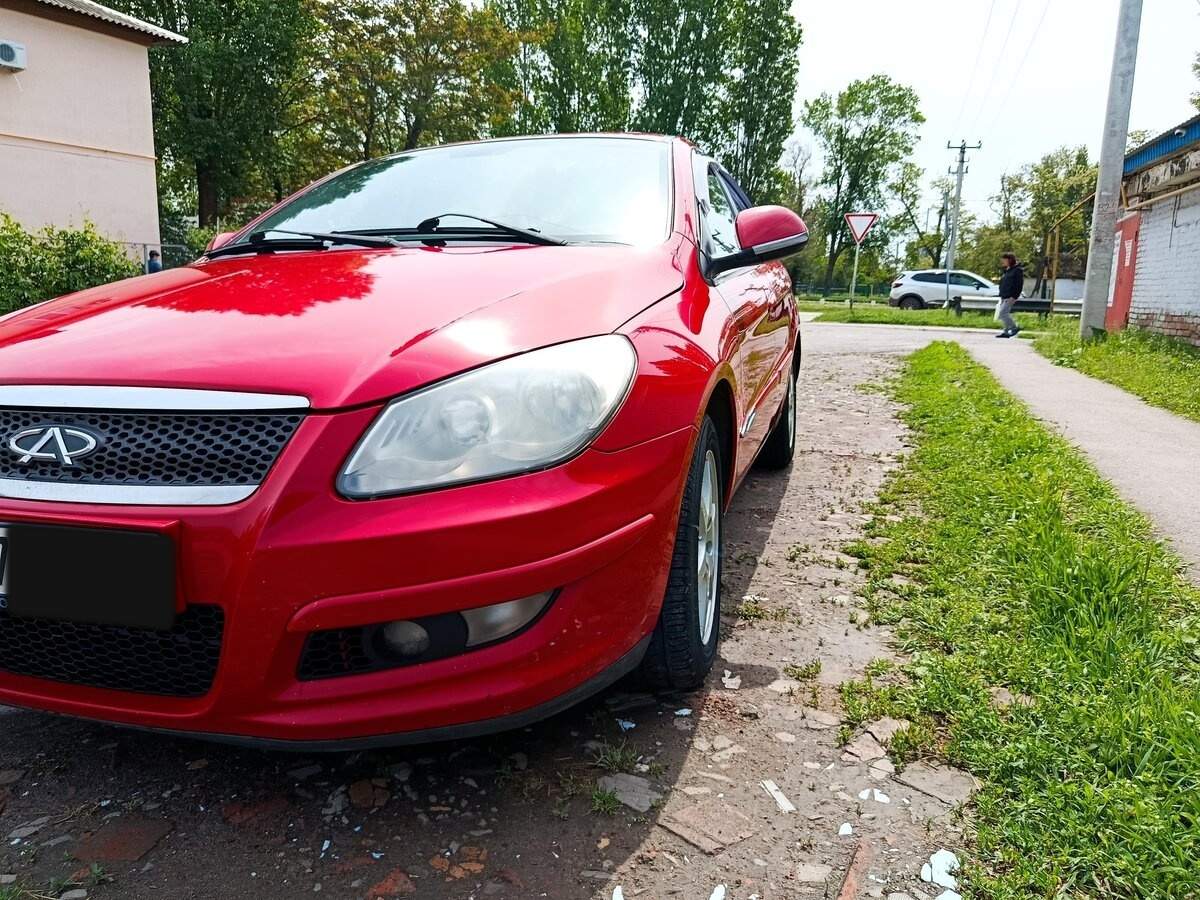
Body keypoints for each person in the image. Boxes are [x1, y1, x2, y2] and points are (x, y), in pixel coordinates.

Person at [995, 253, 1023, 338]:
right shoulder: (1007, 270)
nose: (1002, 262)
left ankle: (1014, 327)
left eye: (1004, 260)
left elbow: (1019, 285)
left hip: (1010, 296)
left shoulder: (1017, 271)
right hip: (1004, 295)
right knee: (1002, 314)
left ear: (1010, 260)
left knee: (1003, 313)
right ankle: (1006, 331)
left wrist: (1014, 297)